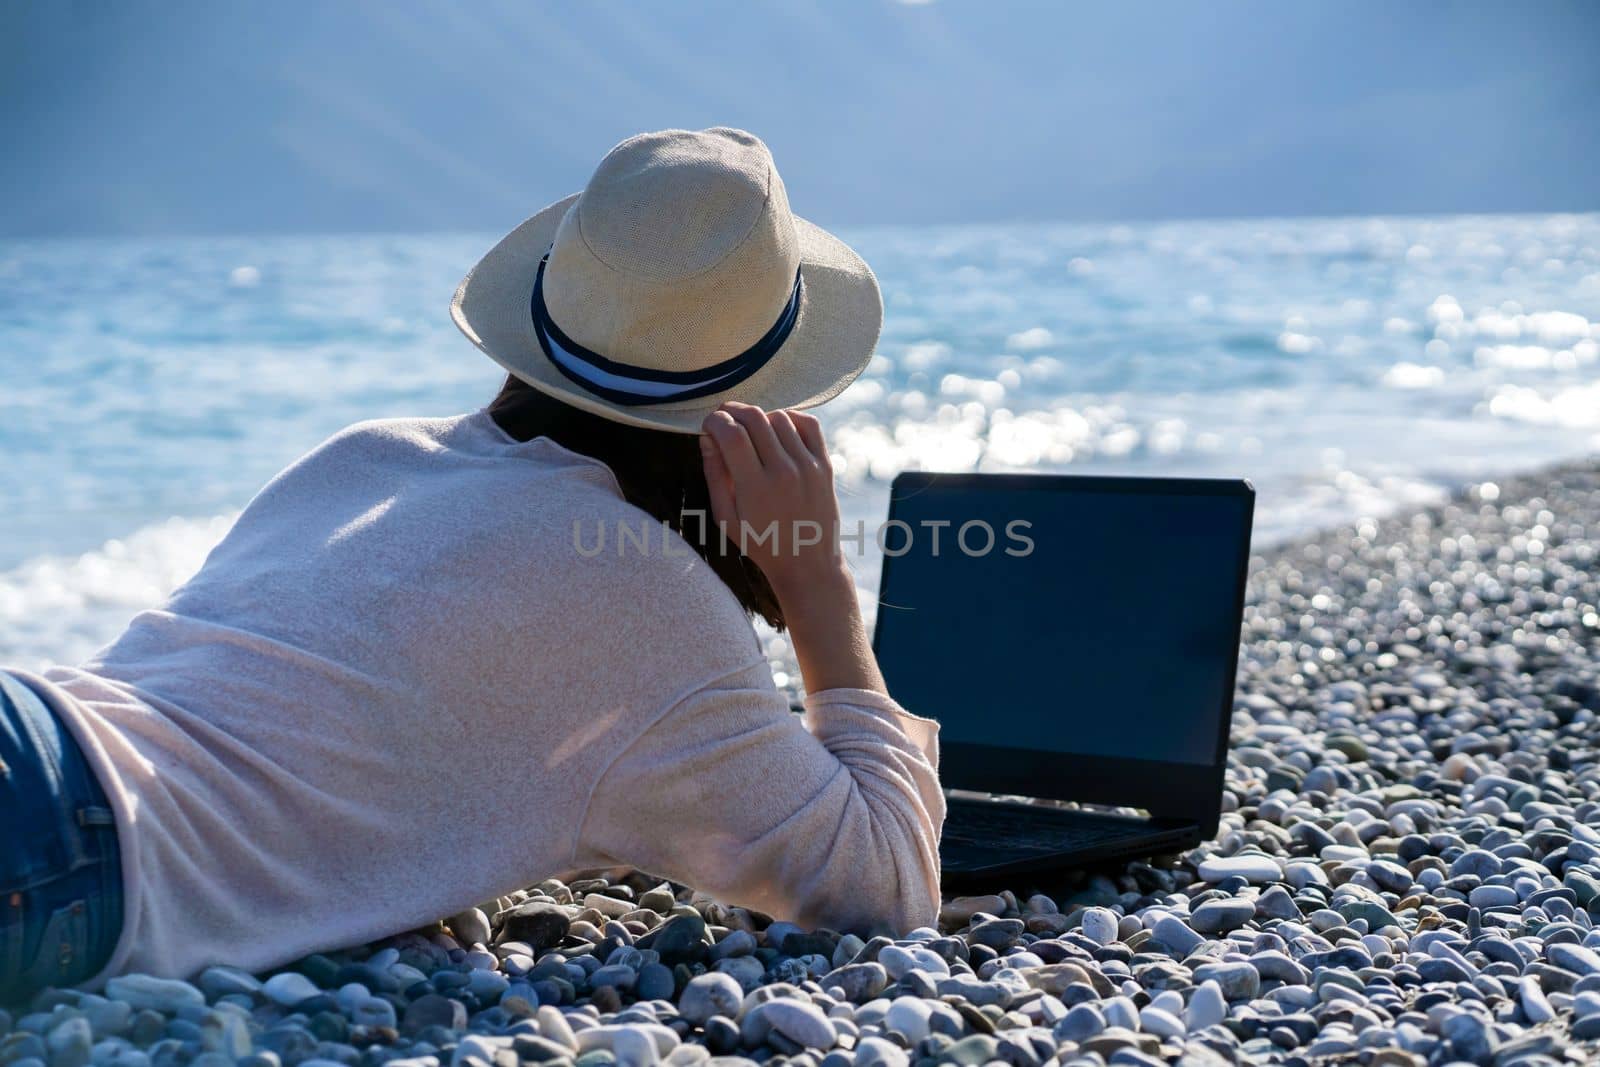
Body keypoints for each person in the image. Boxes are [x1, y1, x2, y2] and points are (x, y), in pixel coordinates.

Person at [0, 128, 944, 1003]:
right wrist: (814, 580)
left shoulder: (367, 456)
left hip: (45, 730)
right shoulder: (643, 592)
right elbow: (887, 883)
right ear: (761, 407)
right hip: (67, 849)